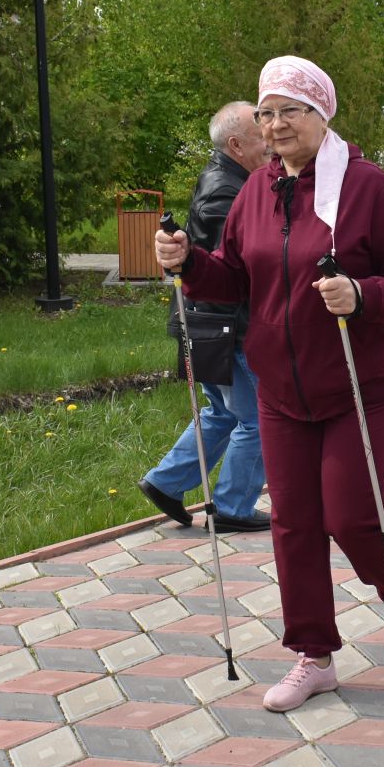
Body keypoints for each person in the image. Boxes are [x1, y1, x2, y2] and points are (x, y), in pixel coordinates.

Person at [155, 56, 384, 712]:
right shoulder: (257, 190)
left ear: (322, 115)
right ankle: (314, 656)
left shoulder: (367, 187)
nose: (275, 124)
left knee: (352, 515)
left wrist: (361, 294)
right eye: (265, 112)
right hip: (281, 384)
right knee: (295, 524)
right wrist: (189, 262)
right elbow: (234, 276)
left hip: (360, 381)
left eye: (290, 110)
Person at [140, 102, 272, 533]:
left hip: (213, 325)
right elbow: (236, 265)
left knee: (222, 413)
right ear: (235, 145)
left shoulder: (233, 179)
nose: (270, 143)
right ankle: (233, 507)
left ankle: (166, 482)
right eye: (260, 138)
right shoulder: (225, 192)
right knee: (257, 420)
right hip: (226, 328)